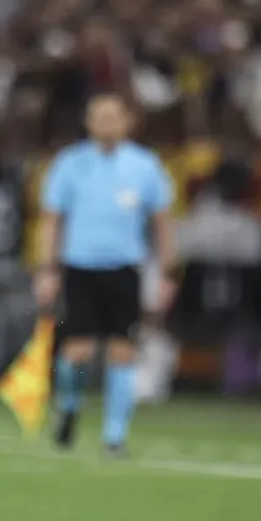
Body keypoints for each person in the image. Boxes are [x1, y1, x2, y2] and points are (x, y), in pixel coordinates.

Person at [34, 94, 176, 456]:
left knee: (122, 351)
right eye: (100, 116)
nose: (107, 122)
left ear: (129, 121)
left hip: (125, 270)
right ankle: (69, 406)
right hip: (80, 268)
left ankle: (115, 436)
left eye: (114, 116)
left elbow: (163, 222)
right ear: (88, 121)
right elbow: (51, 220)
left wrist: (167, 273)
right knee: (77, 352)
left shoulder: (145, 166)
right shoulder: (70, 163)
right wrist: (46, 269)